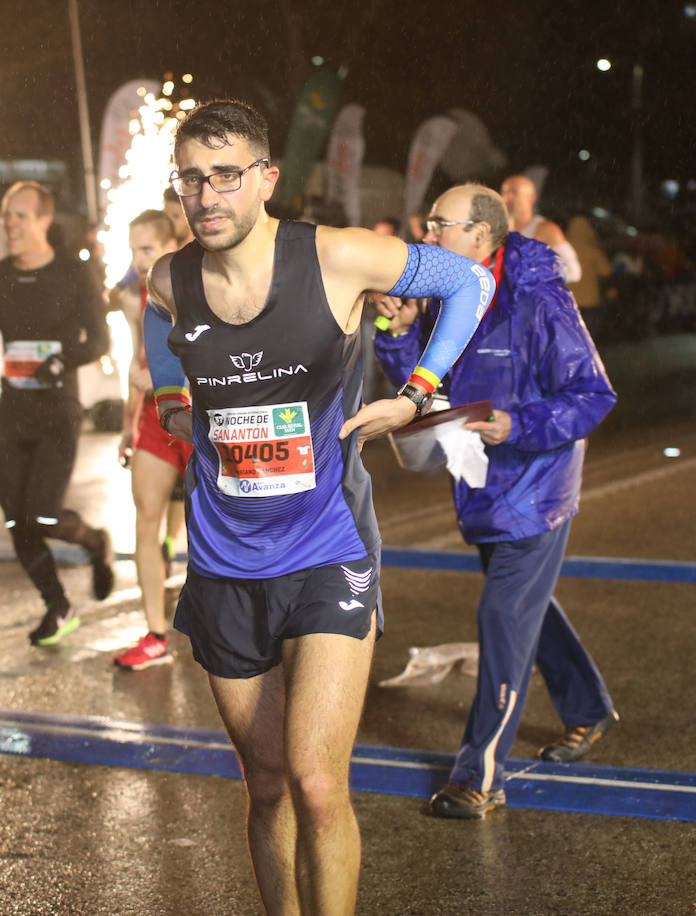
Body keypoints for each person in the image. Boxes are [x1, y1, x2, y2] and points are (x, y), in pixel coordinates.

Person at [142, 99, 492, 914]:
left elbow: (468, 281)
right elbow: (156, 321)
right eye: (191, 179)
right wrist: (170, 400)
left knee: (316, 781)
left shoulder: (333, 255)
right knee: (266, 784)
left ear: (267, 178)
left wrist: (418, 392)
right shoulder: (170, 278)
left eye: (226, 175)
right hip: (223, 563)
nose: (207, 196)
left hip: (326, 548)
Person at [373, 183, 618, 820]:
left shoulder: (539, 298)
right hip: (480, 481)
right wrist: (396, 329)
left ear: (481, 236)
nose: (427, 236)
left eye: (441, 225)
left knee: (503, 616)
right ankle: (588, 709)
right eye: (428, 224)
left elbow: (592, 394)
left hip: (537, 487)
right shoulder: (444, 295)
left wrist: (519, 425)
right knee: (525, 609)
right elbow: (425, 388)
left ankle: (478, 776)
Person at [0, 181, 115, 646]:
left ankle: (94, 541)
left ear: (44, 220)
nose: (10, 224)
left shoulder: (73, 274)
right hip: (13, 412)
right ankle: (58, 606)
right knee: (14, 518)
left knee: (42, 515)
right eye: (6, 215)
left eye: (20, 215)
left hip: (57, 412)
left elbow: (99, 341)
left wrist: (62, 360)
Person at [112, 209, 189, 669]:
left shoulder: (204, 288)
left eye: (148, 249)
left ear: (171, 247)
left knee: (217, 526)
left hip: (201, 420)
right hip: (153, 421)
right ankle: (155, 633)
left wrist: (169, 379)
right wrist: (127, 425)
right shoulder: (132, 300)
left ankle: (233, 625)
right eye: (134, 251)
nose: (140, 260)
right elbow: (135, 362)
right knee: (146, 524)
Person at [500, 174, 582, 283]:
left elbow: (573, 272)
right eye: (504, 192)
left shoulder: (546, 229)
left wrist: (533, 273)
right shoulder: (498, 227)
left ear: (532, 197)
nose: (507, 197)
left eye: (515, 192)